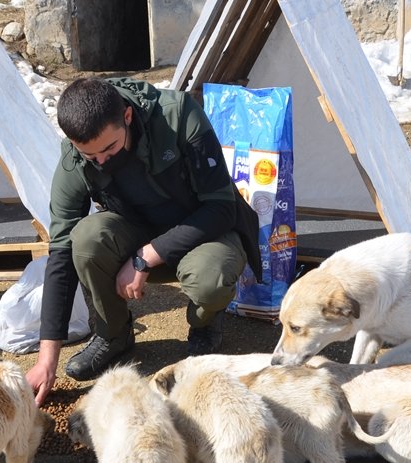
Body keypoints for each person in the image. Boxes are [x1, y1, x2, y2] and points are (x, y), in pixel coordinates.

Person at [26, 77, 261, 404]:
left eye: (109, 148)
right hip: (137, 229)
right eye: (90, 155)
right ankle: (113, 335)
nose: (102, 160)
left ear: (127, 117)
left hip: (203, 229)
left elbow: (221, 208)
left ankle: (205, 323)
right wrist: (46, 358)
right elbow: (61, 254)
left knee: (211, 279)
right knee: (86, 238)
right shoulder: (75, 159)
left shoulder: (177, 114)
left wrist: (145, 257)